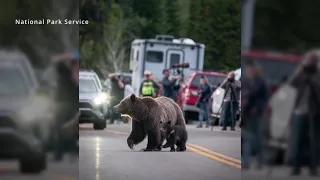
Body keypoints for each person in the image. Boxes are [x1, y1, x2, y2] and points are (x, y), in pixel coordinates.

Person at [288, 50, 320, 176]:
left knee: (313, 142)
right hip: (299, 111)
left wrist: (311, 79)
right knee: (297, 140)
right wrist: (301, 68)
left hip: (314, 112)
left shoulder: (317, 74)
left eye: (312, 60)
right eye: (308, 59)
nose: (310, 62)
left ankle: (313, 168)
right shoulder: (302, 72)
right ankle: (296, 167)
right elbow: (292, 82)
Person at [51, 50, 79, 161]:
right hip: (62, 105)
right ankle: (59, 153)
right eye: (75, 67)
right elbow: (53, 60)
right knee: (60, 129)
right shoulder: (64, 72)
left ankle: (74, 150)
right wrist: (70, 55)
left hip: (74, 108)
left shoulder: (79, 83)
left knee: (73, 130)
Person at [241, 60, 268, 169]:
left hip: (256, 113)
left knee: (257, 138)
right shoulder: (247, 82)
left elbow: (263, 98)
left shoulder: (260, 82)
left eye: (250, 69)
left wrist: (257, 108)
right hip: (247, 113)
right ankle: (246, 161)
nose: (248, 71)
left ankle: (260, 160)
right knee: (248, 138)